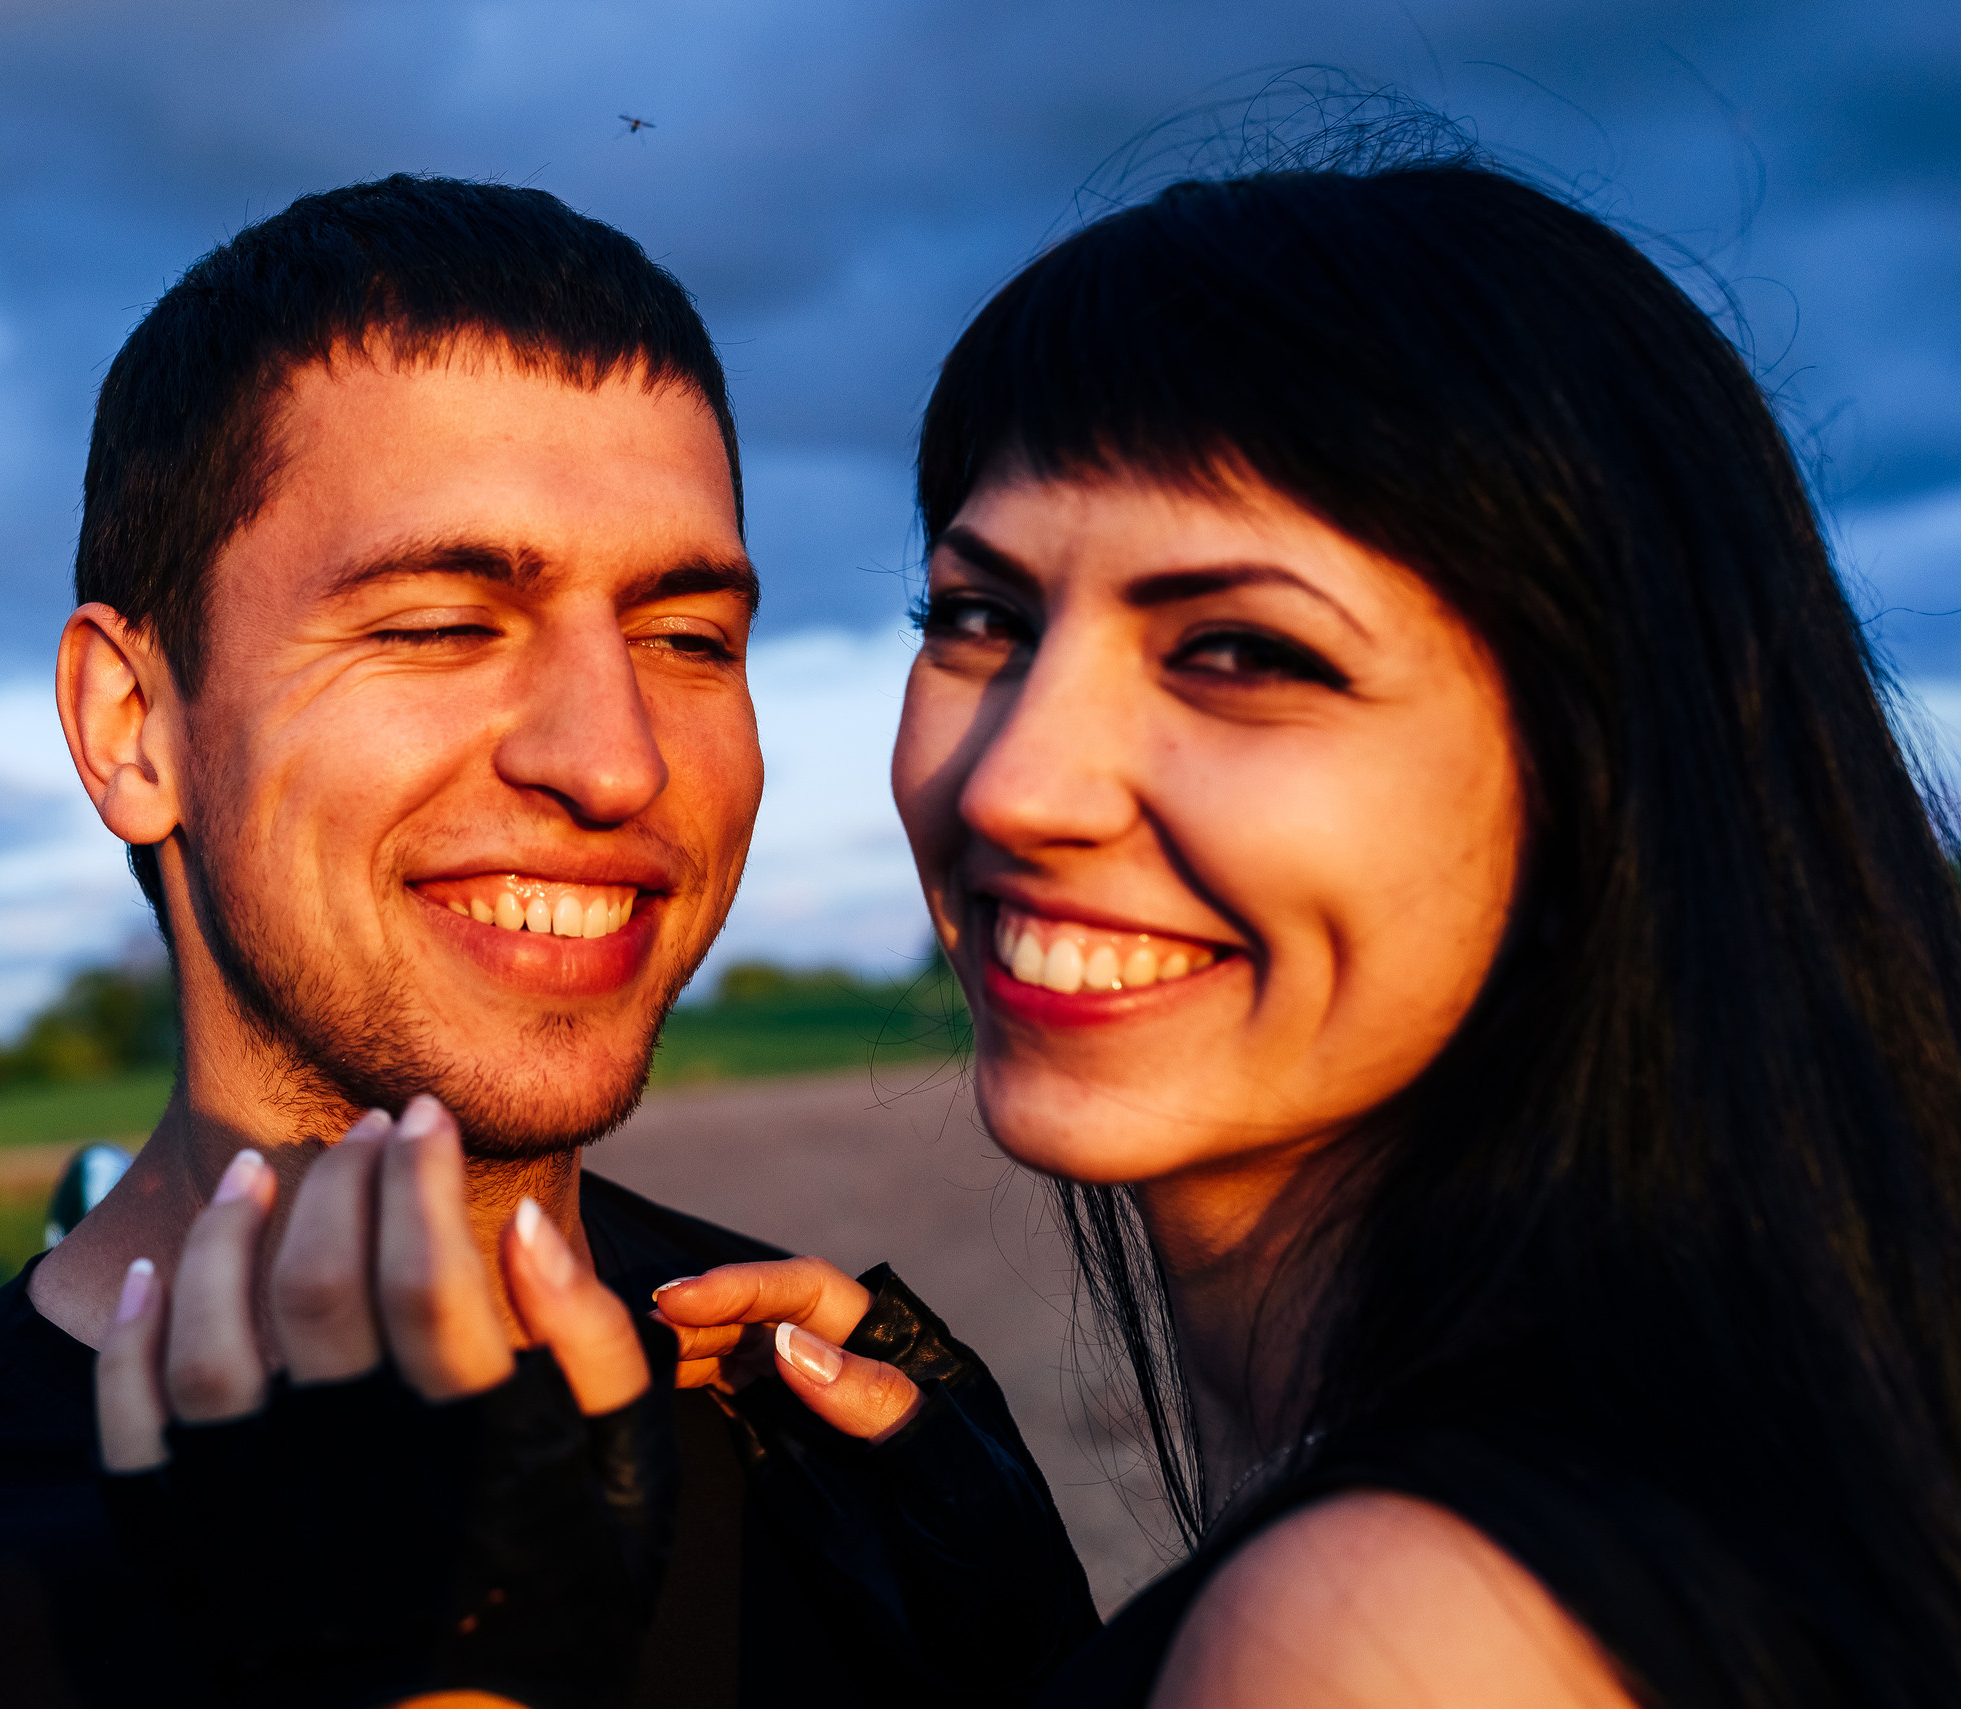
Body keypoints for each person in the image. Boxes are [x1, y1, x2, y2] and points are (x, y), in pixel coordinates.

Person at [125, 151, 1961, 1706]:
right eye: (981, 616)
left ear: (1604, 770)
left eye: (1239, 650)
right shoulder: (1703, 1424)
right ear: (134, 728)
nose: (1015, 783)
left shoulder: (1401, 1633)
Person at [0, 174, 1087, 1709]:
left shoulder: (831, 1435)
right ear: (134, 727)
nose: (616, 759)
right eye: (440, 624)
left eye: (688, 637)